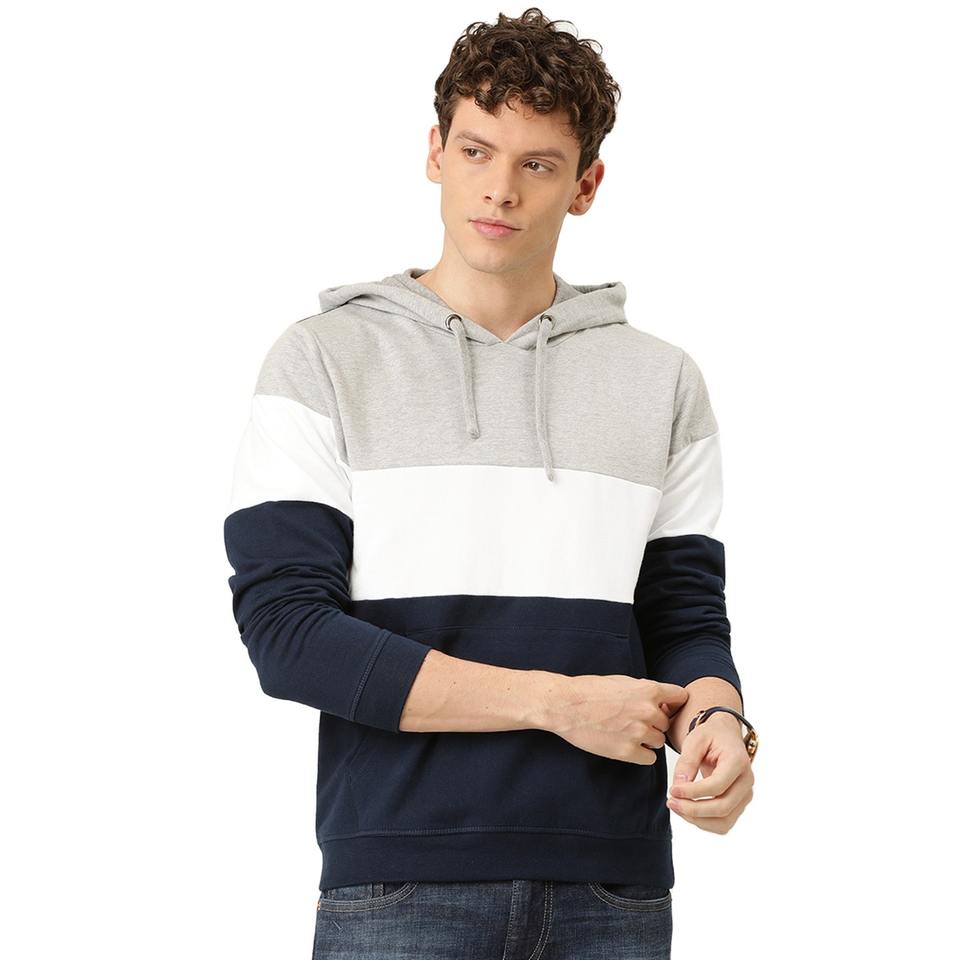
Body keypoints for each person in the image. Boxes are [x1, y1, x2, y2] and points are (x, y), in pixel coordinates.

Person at [222, 7, 758, 958]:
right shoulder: (324, 361)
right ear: (435, 152)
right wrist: (555, 702)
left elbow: (680, 616)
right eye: (476, 151)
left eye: (538, 164)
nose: (500, 190)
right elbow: (288, 636)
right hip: (399, 885)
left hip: (614, 886)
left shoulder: (661, 381)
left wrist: (718, 717)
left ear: (586, 185)